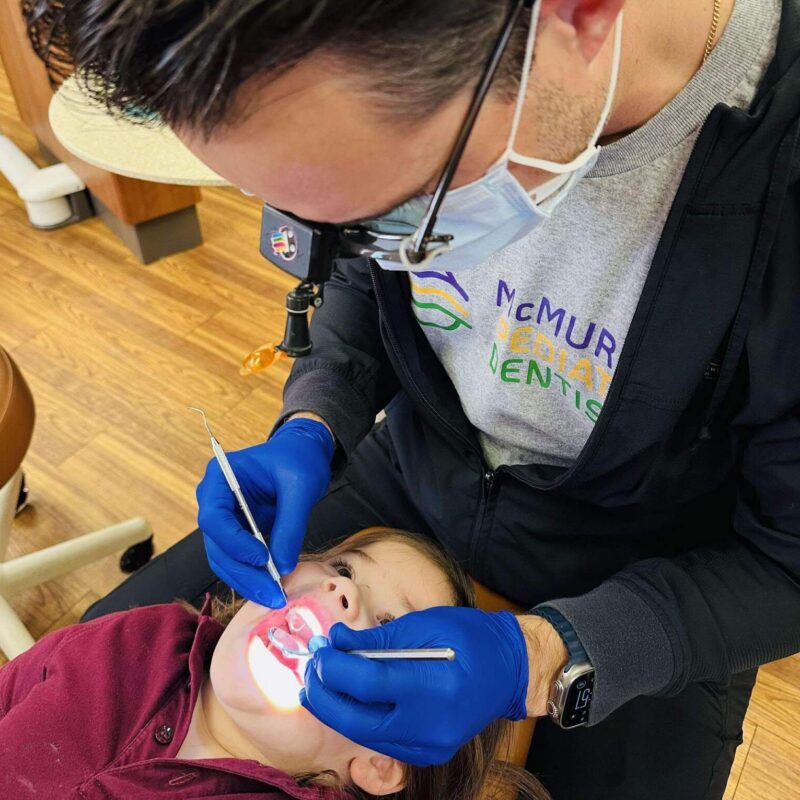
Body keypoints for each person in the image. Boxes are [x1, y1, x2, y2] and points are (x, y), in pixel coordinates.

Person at [24, 0, 800, 797]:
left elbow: (789, 560)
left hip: (666, 563)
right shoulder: (398, 128)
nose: (368, 242)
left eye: (404, 208)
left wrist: (545, 655)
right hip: (410, 474)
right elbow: (362, 273)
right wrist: (316, 416)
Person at [0, 528, 547, 800]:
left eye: (385, 627)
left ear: (381, 762)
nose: (339, 591)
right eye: (341, 567)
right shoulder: (143, 632)